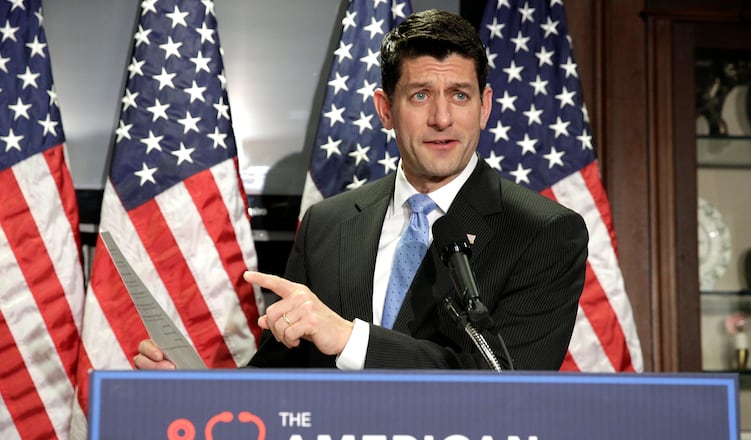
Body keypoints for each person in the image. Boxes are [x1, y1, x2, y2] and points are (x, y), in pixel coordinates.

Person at [135, 9, 588, 371]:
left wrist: (349, 339)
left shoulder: (543, 233)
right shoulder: (326, 225)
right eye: (420, 95)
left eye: (460, 95)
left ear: (485, 107)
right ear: (384, 109)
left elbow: (505, 383)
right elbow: (282, 377)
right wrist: (188, 392)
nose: (442, 119)